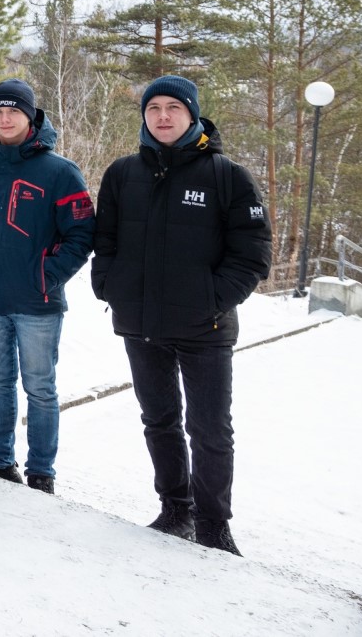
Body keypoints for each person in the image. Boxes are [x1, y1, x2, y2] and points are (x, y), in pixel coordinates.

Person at [92, 75, 270, 555]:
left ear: (192, 115)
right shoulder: (122, 173)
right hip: (142, 323)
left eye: (174, 107)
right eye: (154, 108)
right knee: (159, 419)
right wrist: (108, 286)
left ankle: (213, 524)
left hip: (204, 328)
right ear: (145, 116)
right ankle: (175, 508)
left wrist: (213, 298)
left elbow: (252, 254)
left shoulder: (227, 175)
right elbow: (104, 240)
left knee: (210, 429)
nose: (163, 116)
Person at [0, 79, 94, 494]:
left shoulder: (60, 172)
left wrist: (46, 276)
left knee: (40, 388)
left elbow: (82, 234)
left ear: (30, 116)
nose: (5, 118)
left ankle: (41, 472)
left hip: (37, 304)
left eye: (13, 111)